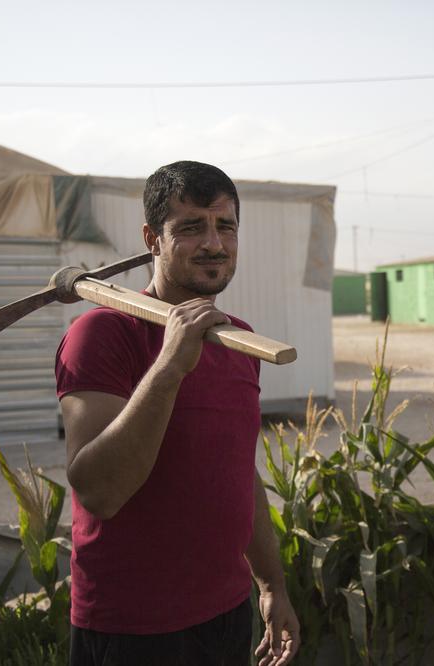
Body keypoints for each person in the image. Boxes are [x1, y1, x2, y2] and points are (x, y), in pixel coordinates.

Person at [56, 161, 300, 665]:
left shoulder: (240, 339)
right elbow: (99, 491)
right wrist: (170, 365)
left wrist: (271, 584)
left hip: (227, 614)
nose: (214, 243)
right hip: (134, 630)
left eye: (226, 226)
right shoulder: (102, 334)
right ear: (153, 238)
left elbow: (238, 469)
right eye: (191, 227)